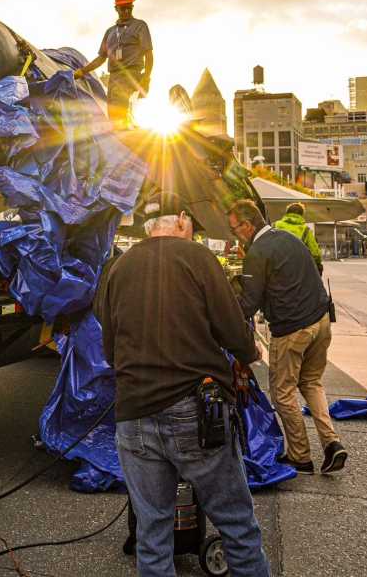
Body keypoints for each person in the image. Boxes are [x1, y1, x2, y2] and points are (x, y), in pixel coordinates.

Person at [95, 194, 270, 577]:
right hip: (195, 411)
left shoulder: (117, 268)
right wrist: (248, 350)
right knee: (237, 526)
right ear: (182, 221)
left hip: (134, 414)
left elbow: (109, 348)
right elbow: (233, 329)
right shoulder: (198, 259)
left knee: (152, 533)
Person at [229, 199, 347, 474]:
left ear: (247, 226)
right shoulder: (288, 237)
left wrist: (228, 297)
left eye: (235, 230)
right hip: (321, 320)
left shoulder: (258, 252)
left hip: (293, 328)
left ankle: (300, 456)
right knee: (312, 382)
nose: (235, 235)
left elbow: (249, 304)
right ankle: (332, 443)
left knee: (283, 394)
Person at [74, 0, 153, 128]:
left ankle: (124, 135)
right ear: (116, 9)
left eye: (129, 8)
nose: (126, 11)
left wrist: (146, 79)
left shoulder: (140, 26)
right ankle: (124, 137)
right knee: (113, 117)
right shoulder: (110, 32)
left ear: (132, 6)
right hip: (114, 78)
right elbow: (101, 58)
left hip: (131, 74)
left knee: (118, 116)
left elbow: (149, 54)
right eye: (123, 8)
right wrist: (82, 71)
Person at [273, 202, 323, 273]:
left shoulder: (275, 225)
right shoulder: (306, 230)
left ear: (286, 213)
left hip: (276, 269)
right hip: (297, 271)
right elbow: (315, 254)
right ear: (302, 215)